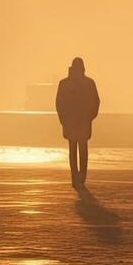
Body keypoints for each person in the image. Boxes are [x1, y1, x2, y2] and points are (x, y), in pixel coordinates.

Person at [55, 57, 101, 188]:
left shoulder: (64, 84)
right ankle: (80, 177)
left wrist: (64, 120)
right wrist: (89, 117)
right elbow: (95, 102)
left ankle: (76, 177)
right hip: (81, 122)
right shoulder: (89, 83)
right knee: (81, 150)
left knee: (74, 150)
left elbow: (59, 104)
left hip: (73, 122)